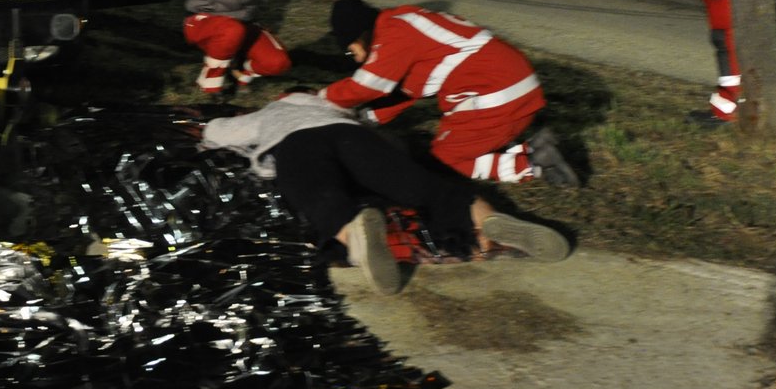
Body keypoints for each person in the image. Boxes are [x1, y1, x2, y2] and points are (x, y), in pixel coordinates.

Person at [201, 90, 570, 293]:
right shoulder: (332, 108)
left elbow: (218, 132)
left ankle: (356, 232)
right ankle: (489, 219)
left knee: (319, 197)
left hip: (295, 144)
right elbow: (391, 143)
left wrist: (213, 129)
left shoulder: (271, 113)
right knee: (423, 187)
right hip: (352, 137)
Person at [321, 0, 579, 185]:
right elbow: (408, 90)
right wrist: (367, 118)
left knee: (443, 161)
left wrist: (322, 100)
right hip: (514, 85)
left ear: (359, 34)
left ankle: (533, 164)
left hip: (496, 96)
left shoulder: (394, 35)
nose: (354, 60)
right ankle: (535, 147)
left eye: (349, 50)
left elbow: (365, 86)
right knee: (457, 146)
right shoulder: (402, 21)